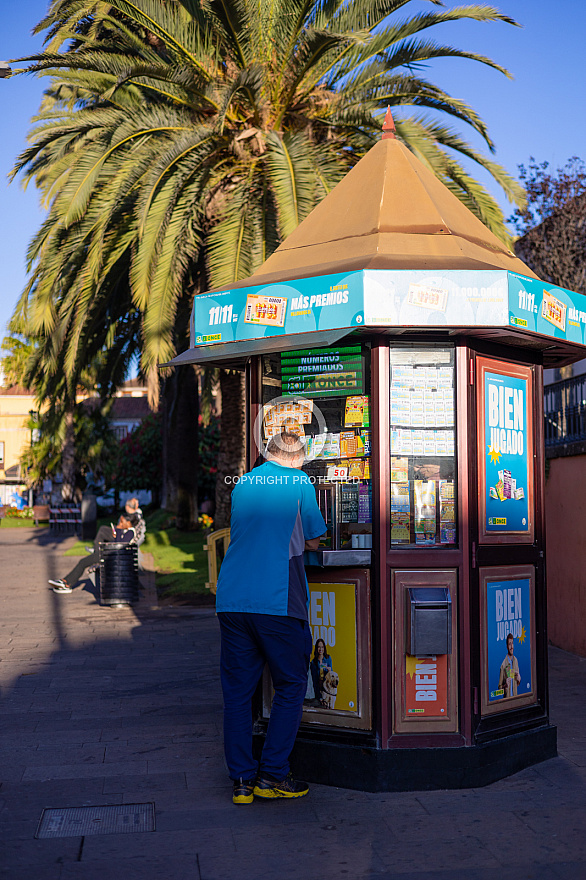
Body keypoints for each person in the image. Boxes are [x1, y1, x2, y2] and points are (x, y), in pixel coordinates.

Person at [215, 431, 326, 805]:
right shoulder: (299, 482)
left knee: (236, 694)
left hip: (231, 600)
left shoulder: (244, 483)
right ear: (297, 458)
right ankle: (273, 775)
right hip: (276, 600)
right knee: (292, 685)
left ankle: (242, 782)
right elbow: (314, 539)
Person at [49, 511, 139, 593]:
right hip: (112, 555)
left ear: (128, 523)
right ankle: (65, 581)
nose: (120, 523)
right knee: (103, 530)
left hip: (112, 558)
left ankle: (67, 584)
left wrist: (118, 530)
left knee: (83, 562)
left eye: (122, 522)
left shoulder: (130, 533)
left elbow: (119, 544)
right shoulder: (128, 531)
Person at [309, 639, 333, 704]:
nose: (320, 649)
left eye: (322, 647)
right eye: (319, 647)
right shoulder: (313, 662)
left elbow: (332, 674)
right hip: (318, 688)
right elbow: (314, 680)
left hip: (327, 688)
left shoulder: (328, 659)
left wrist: (330, 671)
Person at [498, 633, 521, 698]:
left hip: (515, 699)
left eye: (512, 643)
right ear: (507, 646)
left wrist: (519, 679)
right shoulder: (503, 665)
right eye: (509, 644)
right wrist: (505, 685)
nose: (511, 647)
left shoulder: (515, 661)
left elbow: (516, 683)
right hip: (507, 701)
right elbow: (499, 687)